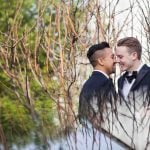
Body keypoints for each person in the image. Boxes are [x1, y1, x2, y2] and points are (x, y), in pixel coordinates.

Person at [115, 37, 150, 149]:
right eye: (116, 57)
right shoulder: (120, 81)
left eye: (120, 57)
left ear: (134, 55)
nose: (117, 60)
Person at [78, 42, 117, 127]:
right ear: (101, 61)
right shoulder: (104, 84)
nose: (115, 60)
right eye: (112, 57)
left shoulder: (88, 84)